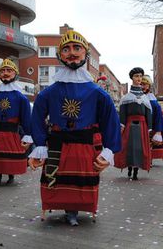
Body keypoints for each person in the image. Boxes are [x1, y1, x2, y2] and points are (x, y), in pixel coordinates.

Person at [28, 30, 121, 226]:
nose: (72, 52)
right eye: (66, 49)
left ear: (85, 54)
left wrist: (109, 150)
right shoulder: (49, 93)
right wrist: (39, 144)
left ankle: (74, 210)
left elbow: (110, 121)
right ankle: (66, 209)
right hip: (57, 145)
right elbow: (36, 116)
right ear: (59, 55)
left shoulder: (98, 93)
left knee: (80, 184)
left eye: (77, 48)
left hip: (84, 146)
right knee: (58, 181)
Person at [0, 59, 32, 186]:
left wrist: (28, 135)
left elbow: (26, 118)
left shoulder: (21, 98)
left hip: (12, 133)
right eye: (2, 71)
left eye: (9, 70)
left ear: (15, 73)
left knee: (10, 156)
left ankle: (11, 176)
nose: (5, 73)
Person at [114, 67, 152, 181]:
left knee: (139, 149)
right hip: (129, 126)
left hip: (142, 126)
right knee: (129, 147)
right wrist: (122, 126)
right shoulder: (126, 98)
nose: (139, 79)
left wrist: (149, 128)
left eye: (140, 76)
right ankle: (130, 167)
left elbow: (148, 114)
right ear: (132, 78)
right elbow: (123, 114)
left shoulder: (145, 98)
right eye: (136, 76)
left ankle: (136, 170)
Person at [140, 75, 163, 162]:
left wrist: (158, 130)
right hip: (139, 126)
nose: (142, 86)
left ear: (149, 86)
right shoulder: (136, 97)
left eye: (144, 84)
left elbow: (158, 116)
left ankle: (148, 160)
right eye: (141, 84)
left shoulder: (153, 101)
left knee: (148, 144)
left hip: (150, 127)